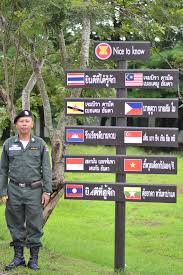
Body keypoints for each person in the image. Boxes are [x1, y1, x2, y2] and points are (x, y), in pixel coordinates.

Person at [0, 110, 52, 271]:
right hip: (14, 189)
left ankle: (34, 260)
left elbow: (46, 169)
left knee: (34, 224)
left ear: (32, 124)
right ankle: (19, 258)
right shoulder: (9, 143)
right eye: (21, 121)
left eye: (27, 121)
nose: (24, 124)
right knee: (15, 224)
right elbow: (3, 170)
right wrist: (3, 192)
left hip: (34, 190)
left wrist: (47, 191)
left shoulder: (40, 144)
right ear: (16, 124)